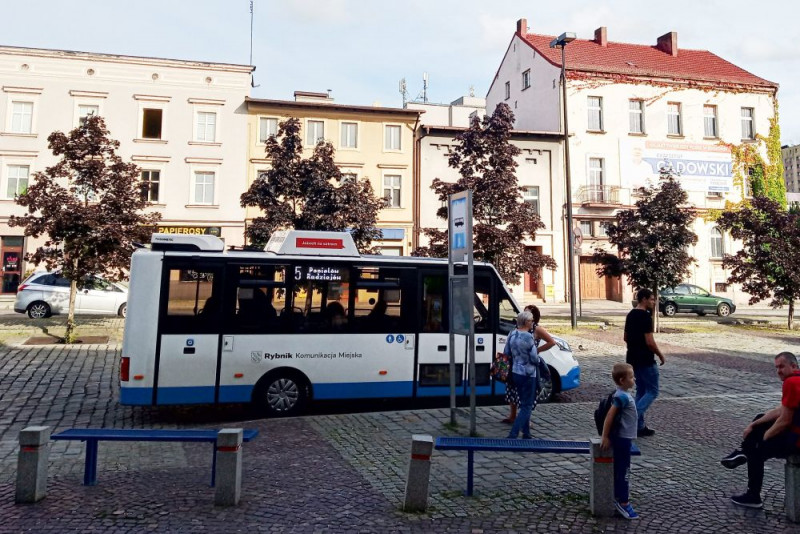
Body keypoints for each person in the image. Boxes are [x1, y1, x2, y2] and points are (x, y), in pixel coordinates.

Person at [721, 351, 800, 509]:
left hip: (796, 440)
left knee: (756, 451)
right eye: (776, 367)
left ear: (793, 366)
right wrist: (753, 425)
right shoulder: (797, 380)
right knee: (760, 419)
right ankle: (744, 451)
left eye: (782, 367)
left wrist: (764, 438)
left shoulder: (791, 383)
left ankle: (753, 495)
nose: (778, 371)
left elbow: (784, 421)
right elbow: (780, 411)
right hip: (795, 433)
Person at [502, 304, 557, 424]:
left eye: (528, 314)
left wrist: (537, 350)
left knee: (526, 392)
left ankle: (526, 420)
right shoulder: (517, 329)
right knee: (512, 389)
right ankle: (513, 415)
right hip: (515, 363)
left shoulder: (537, 329)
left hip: (528, 367)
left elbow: (552, 342)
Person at [624, 288, 665, 437]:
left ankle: (639, 427)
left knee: (641, 390)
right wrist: (660, 355)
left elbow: (625, 337)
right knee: (652, 391)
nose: (654, 302)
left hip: (632, 358)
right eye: (652, 299)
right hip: (646, 359)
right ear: (644, 299)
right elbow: (650, 342)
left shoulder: (631, 315)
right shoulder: (646, 317)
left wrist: (634, 345)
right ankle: (631, 419)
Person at [601, 363, 640, 520]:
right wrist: (605, 436)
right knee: (624, 472)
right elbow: (610, 416)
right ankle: (623, 502)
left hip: (625, 439)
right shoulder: (621, 397)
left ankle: (619, 497)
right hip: (622, 440)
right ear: (623, 380)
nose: (634, 379)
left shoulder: (622, 394)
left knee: (622, 470)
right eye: (631, 377)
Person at [506, 310, 540, 440]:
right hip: (528, 374)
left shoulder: (512, 334)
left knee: (523, 401)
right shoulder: (528, 337)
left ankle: (526, 434)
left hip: (515, 372)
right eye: (531, 321)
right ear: (526, 322)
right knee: (527, 406)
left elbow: (506, 352)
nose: (533, 323)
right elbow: (534, 358)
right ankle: (513, 434)